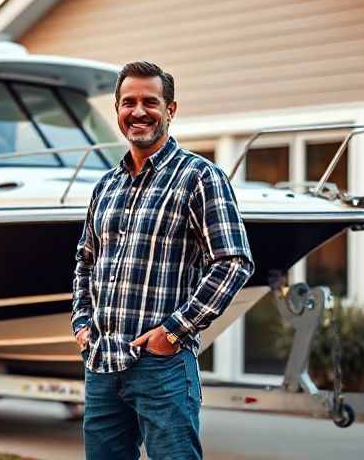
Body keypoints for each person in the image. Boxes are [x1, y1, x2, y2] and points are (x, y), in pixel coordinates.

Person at [72, 61, 255, 459]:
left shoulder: (199, 176)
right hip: (102, 364)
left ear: (170, 110)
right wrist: (83, 325)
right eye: (128, 102)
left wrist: (171, 333)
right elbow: (85, 262)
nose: (138, 111)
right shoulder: (105, 186)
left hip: (162, 369)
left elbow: (233, 262)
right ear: (117, 111)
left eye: (150, 102)